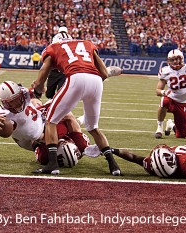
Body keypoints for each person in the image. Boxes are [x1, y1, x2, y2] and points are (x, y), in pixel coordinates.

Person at [33, 28, 121, 175]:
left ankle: (52, 165)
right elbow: (104, 73)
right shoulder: (86, 43)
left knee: (51, 121)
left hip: (75, 77)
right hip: (96, 81)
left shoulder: (54, 47)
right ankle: (114, 166)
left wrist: (38, 88)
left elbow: (44, 70)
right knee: (93, 127)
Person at [0, 81, 90, 166]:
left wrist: (40, 89)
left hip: (40, 118)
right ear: (4, 102)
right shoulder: (5, 116)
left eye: (17, 98)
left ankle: (80, 140)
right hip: (35, 140)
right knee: (61, 153)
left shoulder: (23, 93)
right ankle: (78, 127)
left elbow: (34, 94)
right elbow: (7, 132)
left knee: (64, 110)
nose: (17, 103)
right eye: (11, 102)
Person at [155, 49, 186, 139]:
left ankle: (171, 125)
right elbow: (157, 90)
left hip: (183, 102)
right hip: (171, 99)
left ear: (182, 59)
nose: (175, 62)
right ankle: (159, 127)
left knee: (181, 136)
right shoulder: (165, 71)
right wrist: (164, 92)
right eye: (172, 60)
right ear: (169, 61)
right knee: (164, 101)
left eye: (177, 59)